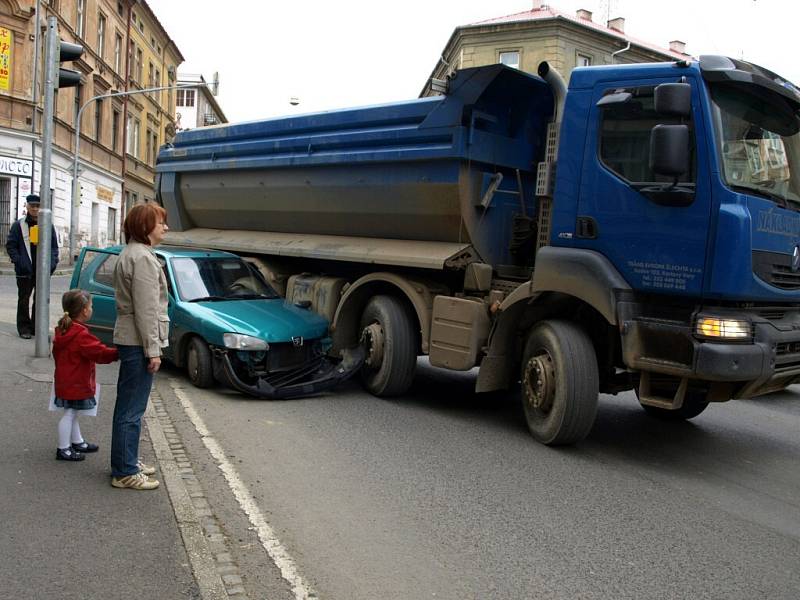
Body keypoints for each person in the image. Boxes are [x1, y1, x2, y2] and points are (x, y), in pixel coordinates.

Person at [110, 203, 169, 490]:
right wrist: (153, 350)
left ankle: (127, 460)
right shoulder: (143, 258)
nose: (165, 227)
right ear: (145, 227)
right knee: (132, 409)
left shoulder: (132, 253)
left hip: (131, 337)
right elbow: (147, 310)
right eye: (161, 223)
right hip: (137, 340)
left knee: (128, 406)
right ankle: (124, 471)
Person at [52, 289, 119, 461]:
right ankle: (63, 448)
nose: (92, 308)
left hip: (66, 378)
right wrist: (118, 353)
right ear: (84, 311)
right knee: (70, 414)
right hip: (75, 380)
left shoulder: (63, 329)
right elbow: (99, 352)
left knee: (72, 412)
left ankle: (77, 441)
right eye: (91, 305)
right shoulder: (80, 334)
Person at [5, 194, 59, 338]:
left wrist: (53, 263)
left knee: (40, 300)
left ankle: (36, 328)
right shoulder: (19, 225)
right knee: (23, 299)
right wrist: (19, 261)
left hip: (43, 270)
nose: (35, 209)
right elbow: (11, 246)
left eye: (37, 206)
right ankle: (24, 329)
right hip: (25, 270)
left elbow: (54, 247)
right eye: (32, 206)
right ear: (27, 207)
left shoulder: (47, 225)